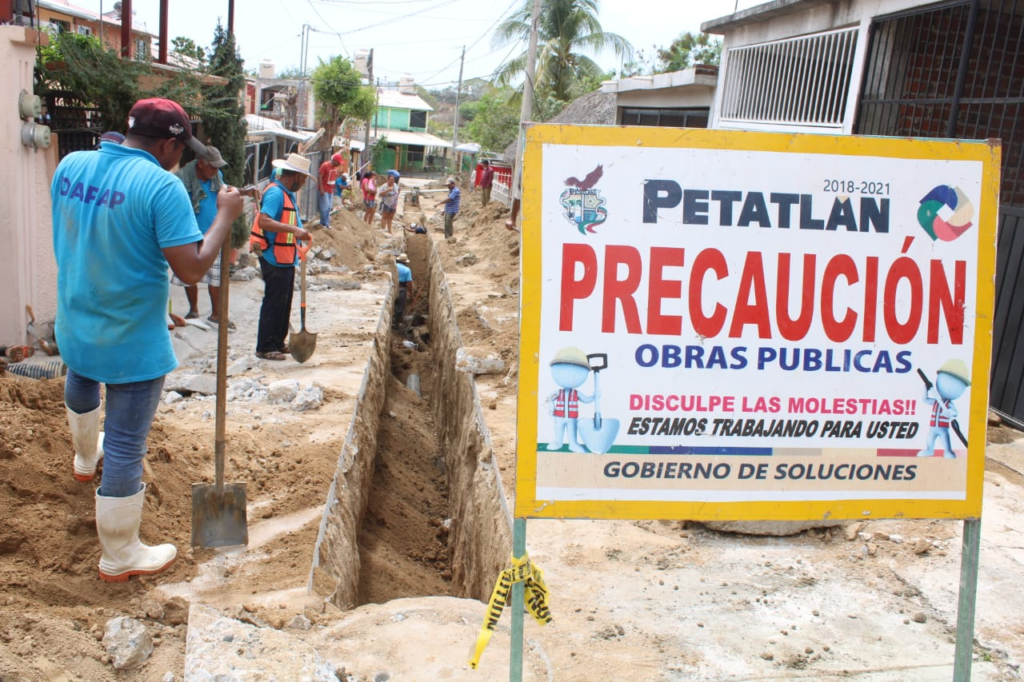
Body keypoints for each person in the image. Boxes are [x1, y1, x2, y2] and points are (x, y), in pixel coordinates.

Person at [51, 97, 243, 582]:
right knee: (123, 444)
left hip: (76, 322)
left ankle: (83, 457)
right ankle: (119, 554)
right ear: (168, 145)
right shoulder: (161, 185)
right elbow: (192, 268)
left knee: (81, 378)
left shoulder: (71, 165)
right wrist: (225, 216)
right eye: (180, 149)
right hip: (130, 339)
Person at [250, 153, 313, 361]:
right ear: (296, 176)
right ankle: (265, 346)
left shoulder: (287, 194)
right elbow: (264, 221)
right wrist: (294, 230)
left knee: (284, 301)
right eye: (303, 179)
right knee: (274, 300)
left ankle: (278, 341)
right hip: (273, 256)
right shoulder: (276, 194)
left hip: (286, 256)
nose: (303, 183)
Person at [170, 145, 233, 328]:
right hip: (189, 234)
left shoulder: (216, 177)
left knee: (216, 275)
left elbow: (224, 190)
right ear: (201, 163)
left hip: (212, 233)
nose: (215, 171)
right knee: (189, 275)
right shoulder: (182, 179)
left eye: (217, 167)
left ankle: (216, 313)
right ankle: (193, 309)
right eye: (212, 167)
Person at [318, 152, 343, 228]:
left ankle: (324, 223)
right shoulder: (325, 165)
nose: (339, 164)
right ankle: (325, 223)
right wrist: (321, 188)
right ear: (335, 161)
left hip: (330, 190)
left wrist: (334, 188)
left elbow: (333, 179)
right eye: (338, 163)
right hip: (324, 189)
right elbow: (320, 176)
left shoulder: (334, 168)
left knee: (329, 207)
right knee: (325, 207)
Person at [394, 253, 413, 328]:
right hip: (402, 289)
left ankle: (394, 320)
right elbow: (409, 283)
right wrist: (410, 292)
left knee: (394, 305)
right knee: (400, 307)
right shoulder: (407, 270)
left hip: (394, 287)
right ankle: (397, 323)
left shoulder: (395, 266)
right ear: (405, 262)